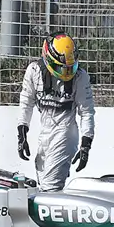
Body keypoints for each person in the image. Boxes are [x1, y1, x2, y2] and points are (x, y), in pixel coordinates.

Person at [17, 32, 96, 191]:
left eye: (69, 67)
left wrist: (86, 144)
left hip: (65, 133)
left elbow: (87, 112)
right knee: (42, 183)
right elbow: (26, 101)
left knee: (50, 188)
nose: (66, 72)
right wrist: (21, 132)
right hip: (44, 134)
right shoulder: (34, 71)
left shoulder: (80, 77)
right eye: (61, 67)